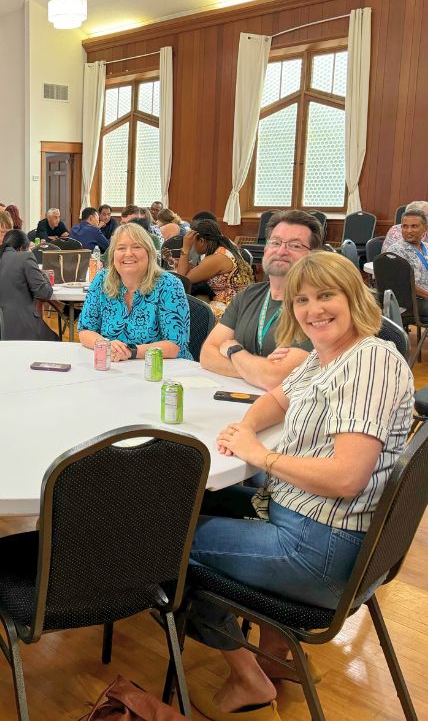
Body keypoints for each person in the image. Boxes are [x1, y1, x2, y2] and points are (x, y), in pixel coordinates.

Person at [187, 251, 413, 720]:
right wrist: (247, 431)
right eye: (303, 300)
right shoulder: (327, 356)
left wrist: (261, 455)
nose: (314, 309)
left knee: (163, 542)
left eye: (326, 295)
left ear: (353, 297)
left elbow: (347, 478)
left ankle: (248, 674)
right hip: (302, 518)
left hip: (317, 546)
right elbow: (276, 398)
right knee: (180, 504)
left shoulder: (368, 361)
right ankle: (275, 657)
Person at [200, 210, 321, 391]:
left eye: (295, 245)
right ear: (265, 250)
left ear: (313, 255)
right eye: (275, 242)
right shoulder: (248, 295)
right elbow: (207, 354)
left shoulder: (317, 307)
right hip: (237, 399)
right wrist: (258, 369)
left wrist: (234, 351)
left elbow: (275, 378)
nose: (281, 251)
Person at [78, 222, 191, 360]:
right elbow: (85, 330)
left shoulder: (169, 285)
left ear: (149, 252)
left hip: (162, 370)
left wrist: (130, 352)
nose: (128, 254)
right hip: (114, 368)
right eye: (121, 248)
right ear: (113, 255)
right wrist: (106, 345)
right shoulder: (102, 280)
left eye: (136, 247)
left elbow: (175, 346)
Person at [0, 229, 57, 342]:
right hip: (22, 329)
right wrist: (44, 275)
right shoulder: (25, 257)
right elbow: (44, 293)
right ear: (21, 248)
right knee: (56, 341)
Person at [175, 219, 253, 319]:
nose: (193, 246)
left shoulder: (216, 258)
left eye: (193, 243)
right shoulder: (223, 251)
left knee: (183, 314)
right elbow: (195, 270)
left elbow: (182, 281)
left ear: (202, 241)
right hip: (237, 303)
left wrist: (185, 247)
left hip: (229, 309)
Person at [382, 208, 428, 317]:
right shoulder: (395, 251)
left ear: (425, 228)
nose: (408, 230)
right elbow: (405, 285)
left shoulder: (426, 247)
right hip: (411, 302)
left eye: (414, 226)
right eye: (405, 226)